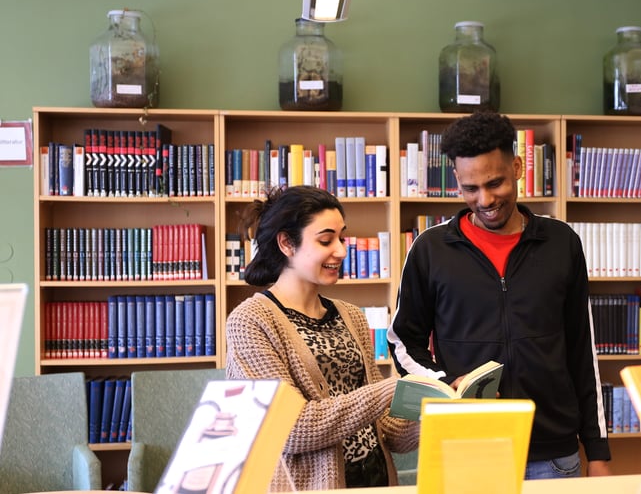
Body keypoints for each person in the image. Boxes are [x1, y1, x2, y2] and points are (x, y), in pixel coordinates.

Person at [387, 111, 612, 479]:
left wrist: (598, 450)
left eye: (495, 183)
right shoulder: (430, 250)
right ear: (457, 180)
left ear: (519, 167)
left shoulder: (561, 243)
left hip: (554, 456)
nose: (485, 199)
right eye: (470, 188)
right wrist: (446, 384)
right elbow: (402, 343)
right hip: (468, 450)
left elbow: (581, 351)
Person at [225, 185, 419, 490]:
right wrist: (392, 389)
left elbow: (386, 428)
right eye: (326, 240)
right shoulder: (251, 321)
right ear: (287, 243)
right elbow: (290, 429)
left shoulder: (351, 315)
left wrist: (439, 408)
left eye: (341, 238)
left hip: (377, 480)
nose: (341, 251)